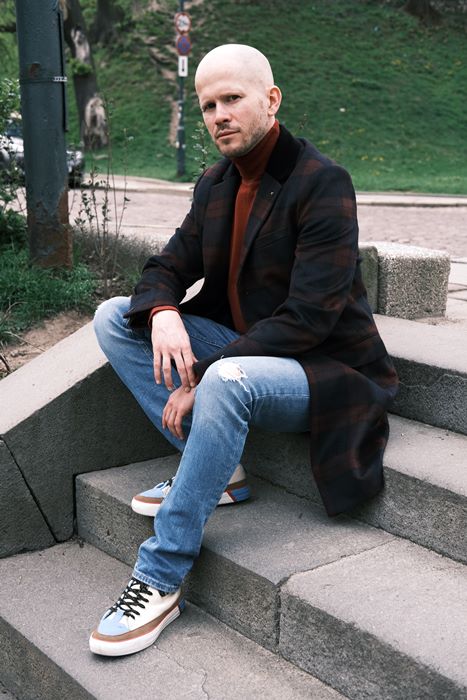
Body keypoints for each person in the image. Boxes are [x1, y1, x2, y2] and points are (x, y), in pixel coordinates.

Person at [90, 44, 398, 657]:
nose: (219, 116)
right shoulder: (216, 183)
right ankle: (219, 469)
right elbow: (164, 267)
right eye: (208, 106)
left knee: (227, 380)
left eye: (232, 99)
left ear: (271, 99)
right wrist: (163, 313)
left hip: (322, 366)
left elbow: (309, 318)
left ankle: (160, 577)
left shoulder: (322, 181)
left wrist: (201, 374)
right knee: (114, 319)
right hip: (243, 351)